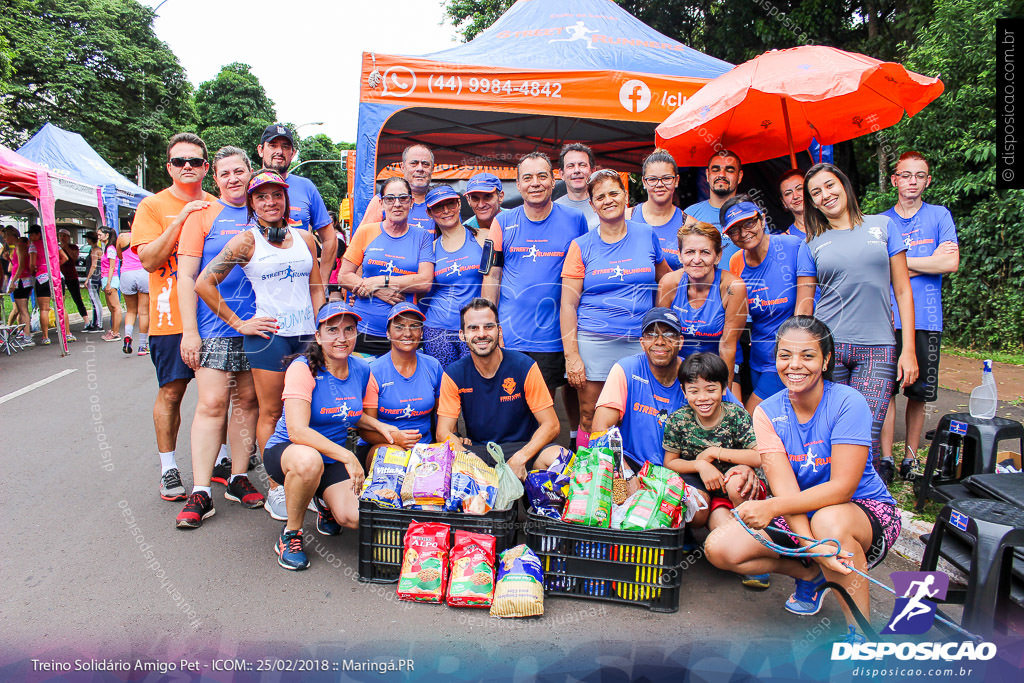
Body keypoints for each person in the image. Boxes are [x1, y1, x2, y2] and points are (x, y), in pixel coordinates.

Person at [705, 316, 901, 645]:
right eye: (785, 355)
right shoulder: (767, 412)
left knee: (829, 520)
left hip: (859, 511)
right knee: (719, 548)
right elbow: (786, 488)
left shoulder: (848, 403)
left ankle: (861, 637)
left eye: (807, 356)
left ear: (826, 361)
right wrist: (812, 548)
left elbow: (843, 487)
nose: (795, 365)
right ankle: (810, 572)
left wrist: (772, 507)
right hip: (800, 512)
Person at [194, 169, 325, 521]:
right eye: (262, 196)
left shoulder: (306, 239)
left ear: (286, 200)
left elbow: (316, 288)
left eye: (276, 195)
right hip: (268, 338)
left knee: (305, 411)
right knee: (271, 413)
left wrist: (322, 331)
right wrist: (239, 323)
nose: (270, 202)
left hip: (307, 338)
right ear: (252, 203)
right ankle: (276, 487)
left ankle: (304, 479)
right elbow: (204, 284)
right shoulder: (246, 241)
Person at [262, 301, 400, 570]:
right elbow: (297, 430)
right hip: (290, 452)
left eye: (349, 330)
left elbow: (346, 411)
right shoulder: (303, 369)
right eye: (333, 330)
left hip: (330, 457)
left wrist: (379, 426)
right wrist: (348, 456)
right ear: (318, 336)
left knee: (354, 518)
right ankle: (291, 534)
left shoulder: (360, 369)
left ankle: (322, 499)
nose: (342, 338)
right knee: (309, 462)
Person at [803, 162, 918, 483]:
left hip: (878, 347)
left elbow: (903, 290)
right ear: (812, 203)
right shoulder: (811, 243)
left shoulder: (883, 227)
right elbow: (807, 303)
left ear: (844, 184)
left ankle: (859, 499)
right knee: (829, 428)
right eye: (816, 193)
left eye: (829, 186)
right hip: (829, 349)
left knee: (864, 428)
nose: (825, 195)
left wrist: (907, 350)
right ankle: (831, 496)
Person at [174, 146, 263, 529]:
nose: (232, 179)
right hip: (214, 327)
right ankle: (200, 490)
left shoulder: (265, 209)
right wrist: (189, 331)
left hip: (260, 326)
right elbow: (186, 277)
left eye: (238, 171)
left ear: (249, 172)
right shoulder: (203, 215)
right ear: (217, 179)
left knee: (248, 400)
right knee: (212, 403)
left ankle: (238, 477)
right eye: (225, 173)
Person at [131, 132, 216, 502]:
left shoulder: (218, 204)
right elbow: (148, 259)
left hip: (215, 317)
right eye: (179, 161)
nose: (187, 167)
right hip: (170, 319)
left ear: (205, 167)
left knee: (218, 396)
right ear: (168, 166)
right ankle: (168, 467)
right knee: (172, 392)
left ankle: (222, 462)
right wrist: (182, 218)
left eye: (194, 161)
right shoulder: (152, 206)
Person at [561, 169, 670, 448]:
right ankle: (591, 478)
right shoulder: (581, 246)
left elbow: (667, 280)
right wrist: (572, 356)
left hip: (639, 343)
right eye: (600, 197)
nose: (608, 200)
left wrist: (661, 322)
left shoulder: (647, 235)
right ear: (592, 204)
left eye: (613, 193)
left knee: (639, 413)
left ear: (626, 196)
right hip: (594, 343)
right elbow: (568, 304)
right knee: (590, 414)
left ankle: (632, 477)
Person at [482, 151, 588, 415]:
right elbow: (491, 276)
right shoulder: (501, 222)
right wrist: (489, 325)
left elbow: (583, 274)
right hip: (511, 335)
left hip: (552, 338)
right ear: (518, 185)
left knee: (543, 408)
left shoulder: (575, 220)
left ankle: (540, 455)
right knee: (509, 406)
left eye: (542, 176)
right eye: (527, 178)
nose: (535, 183)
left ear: (553, 181)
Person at [879, 152, 959, 480]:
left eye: (920, 175)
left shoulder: (940, 216)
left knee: (918, 393)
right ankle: (885, 459)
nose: (913, 181)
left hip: (927, 319)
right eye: (906, 175)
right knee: (886, 391)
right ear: (895, 179)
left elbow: (950, 264)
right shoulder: (880, 222)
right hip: (886, 319)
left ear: (928, 180)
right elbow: (877, 270)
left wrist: (902, 263)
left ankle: (910, 459)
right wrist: (926, 260)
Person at [592, 308, 744, 468]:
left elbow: (742, 421)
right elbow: (600, 430)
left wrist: (742, 466)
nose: (659, 341)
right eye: (651, 334)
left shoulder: (696, 373)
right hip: (633, 463)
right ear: (642, 343)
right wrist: (626, 474)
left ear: (681, 341)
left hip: (684, 470)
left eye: (669, 335)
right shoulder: (627, 369)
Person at [435, 298, 566, 480]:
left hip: (524, 447)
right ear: (462, 334)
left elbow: (551, 425)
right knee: (446, 466)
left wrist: (521, 457)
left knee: (561, 458)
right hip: (480, 450)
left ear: (499, 330)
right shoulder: (454, 373)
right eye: (473, 328)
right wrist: (467, 457)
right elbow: (443, 432)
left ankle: (538, 504)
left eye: (488, 327)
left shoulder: (524, 366)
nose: (481, 334)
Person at [724, 197, 817, 411]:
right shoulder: (736, 261)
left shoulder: (793, 246)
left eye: (749, 223)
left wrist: (792, 356)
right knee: (776, 424)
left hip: (788, 357)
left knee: (753, 418)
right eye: (734, 230)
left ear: (762, 219)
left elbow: (804, 310)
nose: (744, 232)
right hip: (756, 358)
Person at [662, 353, 766, 535]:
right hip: (708, 491)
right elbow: (670, 462)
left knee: (736, 485)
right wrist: (700, 465)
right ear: (684, 391)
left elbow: (759, 456)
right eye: (694, 391)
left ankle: (752, 524)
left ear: (724, 388)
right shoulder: (678, 420)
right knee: (725, 533)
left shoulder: (736, 415)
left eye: (711, 390)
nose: (703, 398)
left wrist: (713, 452)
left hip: (740, 488)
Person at [338, 177, 434, 356]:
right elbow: (343, 276)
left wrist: (382, 280)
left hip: (405, 334)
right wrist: (376, 289)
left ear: (411, 202)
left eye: (403, 198)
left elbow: (425, 281)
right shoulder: (367, 231)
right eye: (390, 199)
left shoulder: (422, 237)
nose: (397, 204)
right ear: (381, 203)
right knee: (365, 383)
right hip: (363, 331)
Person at [656, 221, 747, 384]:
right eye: (690, 252)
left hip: (719, 366)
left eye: (705, 252)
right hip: (680, 367)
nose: (696, 260)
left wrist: (723, 394)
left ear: (718, 256)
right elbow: (664, 340)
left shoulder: (733, 287)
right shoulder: (669, 283)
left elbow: (727, 346)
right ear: (680, 255)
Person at [256, 124, 336, 286]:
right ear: (260, 150)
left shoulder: (306, 187)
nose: (279, 151)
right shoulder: (249, 185)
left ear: (292, 154)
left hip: (298, 285)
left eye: (285, 147)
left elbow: (329, 239)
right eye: (273, 145)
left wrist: (320, 284)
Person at [362, 302, 443, 455]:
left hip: (424, 448)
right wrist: (395, 439)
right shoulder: (374, 371)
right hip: (384, 445)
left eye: (414, 326)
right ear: (388, 333)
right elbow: (365, 431)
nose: (407, 333)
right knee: (395, 456)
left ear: (421, 332)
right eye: (399, 327)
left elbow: (442, 416)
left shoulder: (433, 366)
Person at [422, 184, 486, 367]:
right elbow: (423, 290)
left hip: (476, 327)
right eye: (438, 207)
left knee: (476, 385)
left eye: (450, 203)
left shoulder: (483, 237)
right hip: (438, 328)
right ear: (429, 213)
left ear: (459, 204)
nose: (446, 210)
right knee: (444, 387)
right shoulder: (431, 249)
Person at [630, 149, 687, 270]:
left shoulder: (689, 224)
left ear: (676, 180)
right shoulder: (626, 217)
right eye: (652, 179)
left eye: (666, 178)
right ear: (644, 182)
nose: (660, 184)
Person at [684, 150, 743, 262]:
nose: (722, 175)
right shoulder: (689, 214)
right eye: (715, 170)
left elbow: (762, 256)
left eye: (729, 170)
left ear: (739, 176)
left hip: (739, 279)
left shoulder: (750, 214)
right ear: (707, 175)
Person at [360, 144, 436, 232]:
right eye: (413, 164)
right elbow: (363, 240)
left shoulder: (441, 202)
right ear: (402, 167)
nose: (420, 168)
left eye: (425, 164)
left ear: (432, 169)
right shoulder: (382, 201)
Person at [116, 226, 150, 354]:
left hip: (127, 274)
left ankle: (128, 337)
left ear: (129, 223)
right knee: (144, 313)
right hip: (143, 272)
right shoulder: (147, 236)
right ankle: (142, 346)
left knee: (130, 311)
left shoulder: (122, 237)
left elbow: (120, 255)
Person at [555, 142, 599, 229]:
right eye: (570, 166)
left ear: (593, 171)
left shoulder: (607, 204)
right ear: (561, 174)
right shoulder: (553, 210)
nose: (577, 170)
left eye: (582, 165)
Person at [26, 225, 55, 345]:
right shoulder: (51, 243)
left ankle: (45, 336)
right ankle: (67, 333)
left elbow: (32, 264)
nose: (30, 237)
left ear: (39, 234)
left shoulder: (33, 246)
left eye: (32, 234)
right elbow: (63, 257)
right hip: (55, 275)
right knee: (60, 306)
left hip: (41, 277)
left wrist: (34, 270)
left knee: (44, 308)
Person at [3, 226, 32, 343]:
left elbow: (21, 266)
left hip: (21, 280)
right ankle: (24, 333)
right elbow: (17, 264)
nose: (5, 240)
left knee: (22, 309)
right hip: (22, 279)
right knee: (20, 309)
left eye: (5, 238)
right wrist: (9, 260)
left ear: (11, 236)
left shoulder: (20, 246)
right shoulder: (18, 246)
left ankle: (27, 336)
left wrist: (14, 281)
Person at [57, 229, 87, 329]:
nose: (62, 238)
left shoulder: (73, 247)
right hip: (60, 276)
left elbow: (74, 258)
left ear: (68, 237)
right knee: (60, 299)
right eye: (60, 236)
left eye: (64, 236)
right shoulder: (56, 247)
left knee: (77, 298)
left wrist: (65, 247)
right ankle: (61, 324)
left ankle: (86, 320)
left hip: (71, 275)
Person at [98, 227, 122, 343]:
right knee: (111, 307)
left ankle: (116, 332)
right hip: (106, 278)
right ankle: (113, 330)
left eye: (100, 235)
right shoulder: (107, 248)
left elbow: (112, 266)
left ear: (107, 235)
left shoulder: (111, 249)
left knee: (115, 307)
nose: (98, 237)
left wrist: (108, 283)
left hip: (110, 279)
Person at [82, 231, 104, 333]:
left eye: (87, 238)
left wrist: (87, 278)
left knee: (95, 301)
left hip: (94, 277)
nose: (86, 240)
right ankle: (96, 322)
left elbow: (94, 265)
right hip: (98, 277)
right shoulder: (98, 249)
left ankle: (98, 324)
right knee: (95, 300)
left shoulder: (95, 250)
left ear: (91, 239)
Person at [778, 169, 808, 239]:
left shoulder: (832, 222)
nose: (795, 196)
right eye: (788, 193)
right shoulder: (785, 239)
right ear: (783, 202)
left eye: (800, 188)